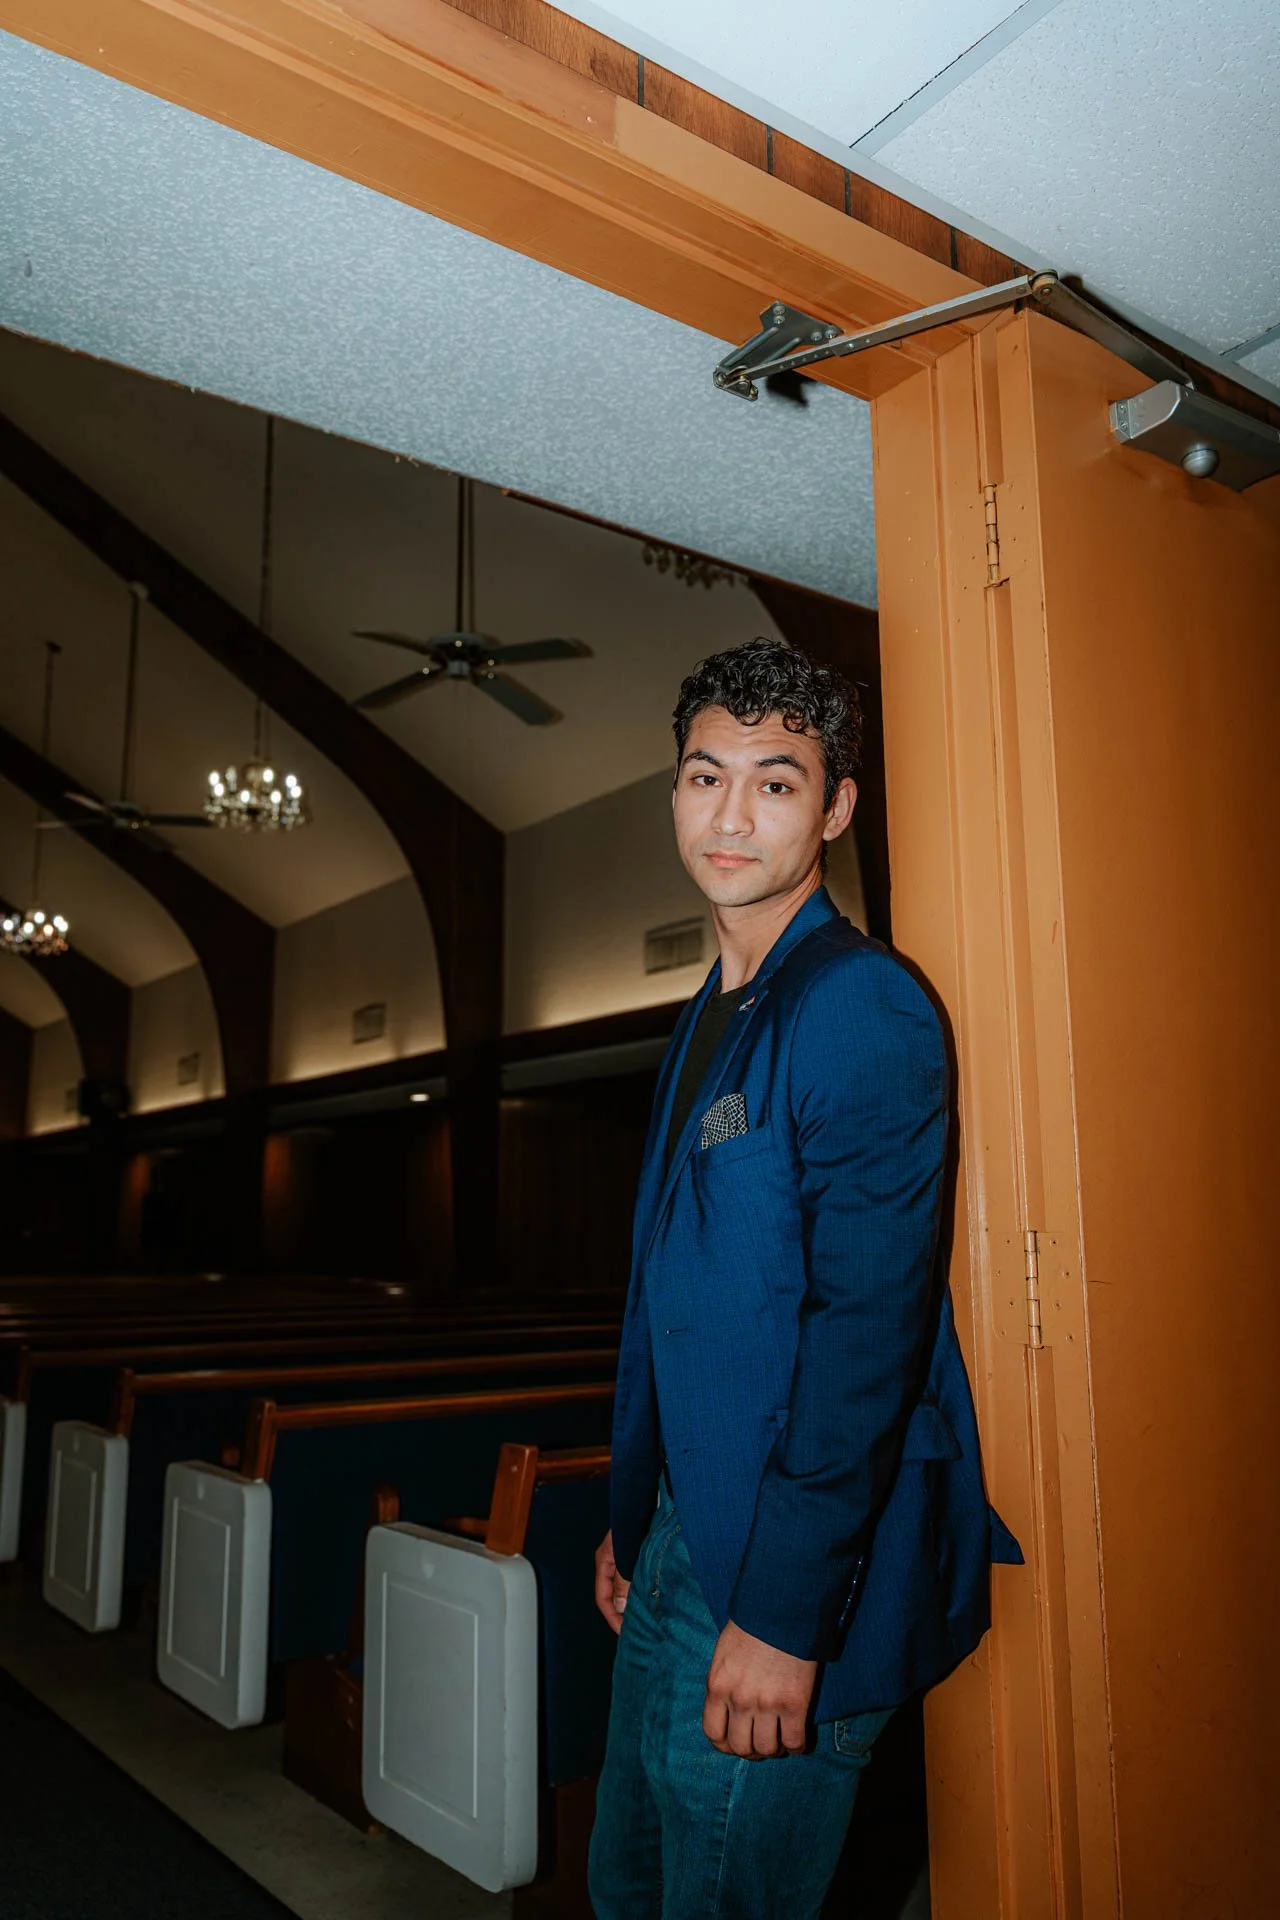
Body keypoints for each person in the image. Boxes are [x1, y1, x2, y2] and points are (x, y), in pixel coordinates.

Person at [587, 638, 1021, 1918]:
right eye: (703, 776)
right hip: (680, 1539)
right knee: (626, 1886)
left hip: (793, 1574)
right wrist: (636, 1512)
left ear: (834, 810)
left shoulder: (859, 1003)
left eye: (773, 783)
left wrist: (783, 1617)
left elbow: (862, 1341)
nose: (728, 815)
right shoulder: (714, 1004)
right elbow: (675, 1299)